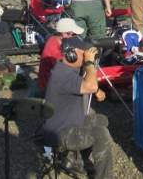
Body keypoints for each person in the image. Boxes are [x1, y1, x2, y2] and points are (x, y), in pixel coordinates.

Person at [42, 38, 113, 179]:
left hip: (70, 122)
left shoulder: (67, 69)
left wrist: (97, 90)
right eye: (84, 54)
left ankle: (76, 160)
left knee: (101, 120)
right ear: (71, 54)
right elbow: (90, 85)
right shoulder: (62, 75)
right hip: (60, 133)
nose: (87, 57)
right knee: (101, 134)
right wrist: (89, 63)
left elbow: (86, 84)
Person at [37, 18, 84, 96]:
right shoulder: (54, 48)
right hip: (49, 88)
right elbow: (66, 67)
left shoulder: (57, 40)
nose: (75, 37)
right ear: (64, 33)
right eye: (74, 34)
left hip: (54, 82)